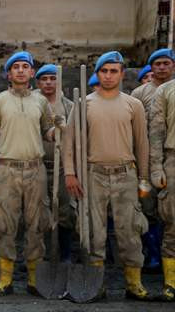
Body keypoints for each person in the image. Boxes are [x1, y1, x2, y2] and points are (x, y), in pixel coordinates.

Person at [64, 51, 152, 301]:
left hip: (126, 174)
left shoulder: (133, 104)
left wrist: (144, 178)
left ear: (122, 74)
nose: (109, 75)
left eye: (114, 71)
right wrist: (70, 173)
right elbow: (69, 142)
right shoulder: (84, 104)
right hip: (94, 175)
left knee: (130, 230)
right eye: (104, 71)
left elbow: (142, 144)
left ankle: (134, 285)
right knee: (94, 232)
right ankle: (96, 285)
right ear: (97, 74)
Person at [0, 51, 55, 296]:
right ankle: (5, 280)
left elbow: (48, 131)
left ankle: (34, 280)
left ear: (32, 73)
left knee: (37, 224)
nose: (21, 70)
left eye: (26, 66)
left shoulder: (41, 102)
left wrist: (60, 129)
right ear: (9, 73)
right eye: (16, 67)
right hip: (7, 169)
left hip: (35, 169)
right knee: (5, 224)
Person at [131, 49, 175, 271]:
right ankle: (154, 255)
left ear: (173, 66)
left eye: (166, 63)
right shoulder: (139, 93)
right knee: (147, 207)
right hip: (146, 159)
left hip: (170, 156)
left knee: (170, 211)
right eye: (156, 64)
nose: (161, 67)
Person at [34, 64, 75, 262]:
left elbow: (76, 138)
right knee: (38, 212)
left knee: (65, 212)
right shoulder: (33, 102)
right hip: (38, 167)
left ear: (59, 82)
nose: (49, 82)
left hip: (62, 168)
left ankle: (64, 256)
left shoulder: (68, 106)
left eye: (53, 78)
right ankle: (39, 256)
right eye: (44, 79)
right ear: (38, 82)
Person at [149, 76, 175, 302]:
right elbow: (156, 132)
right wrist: (156, 167)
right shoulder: (166, 91)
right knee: (172, 223)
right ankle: (171, 283)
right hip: (173, 159)